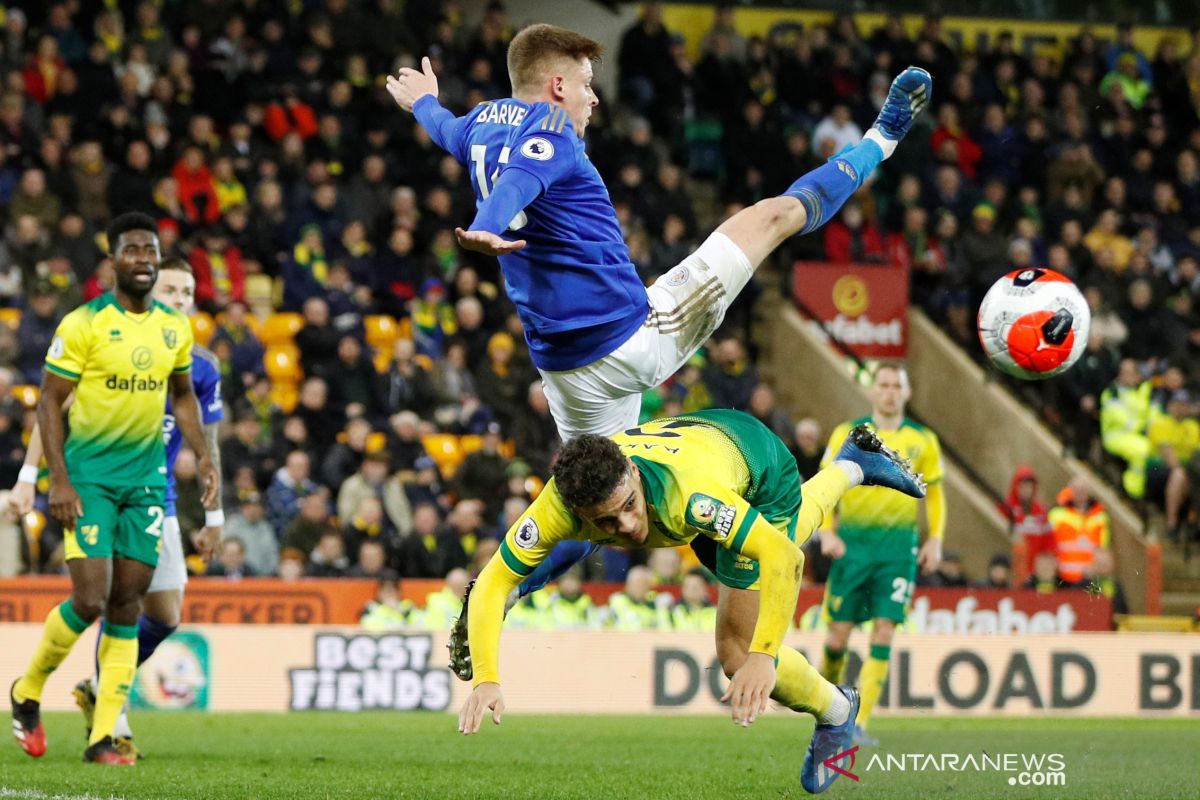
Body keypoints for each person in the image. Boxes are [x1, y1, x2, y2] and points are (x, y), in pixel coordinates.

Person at [390, 23, 931, 667]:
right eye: (587, 86)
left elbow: (449, 132)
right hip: (637, 338)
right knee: (772, 217)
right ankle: (881, 140)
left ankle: (499, 594)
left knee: (592, 499)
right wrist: (483, 226)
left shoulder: (481, 123)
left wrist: (425, 102)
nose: (594, 100)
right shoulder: (552, 133)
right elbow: (519, 187)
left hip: (565, 373)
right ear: (557, 86)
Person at [455, 409, 925, 794]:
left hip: (757, 466)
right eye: (607, 520)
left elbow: (783, 557)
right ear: (576, 511)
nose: (628, 526)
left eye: (629, 506)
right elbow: (489, 582)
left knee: (737, 652)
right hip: (700, 439)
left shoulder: (692, 499)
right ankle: (854, 463)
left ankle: (838, 711)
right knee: (586, 545)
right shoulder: (557, 505)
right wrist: (486, 679)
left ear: (633, 475)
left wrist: (765, 657)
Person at [9, 212, 218, 765]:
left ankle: (104, 736)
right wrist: (55, 478)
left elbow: (183, 398)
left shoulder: (175, 330)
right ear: (112, 262)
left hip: (146, 485)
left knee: (126, 605)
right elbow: (51, 403)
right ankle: (27, 692)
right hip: (90, 480)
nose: (143, 259)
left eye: (150, 250)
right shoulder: (84, 325)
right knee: (89, 597)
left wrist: (202, 453)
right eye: (132, 250)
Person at [817, 363, 945, 749]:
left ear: (906, 393)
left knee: (885, 630)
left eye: (896, 385)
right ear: (874, 391)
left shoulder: (923, 440)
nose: (889, 391)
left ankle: (858, 723)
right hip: (852, 548)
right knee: (838, 638)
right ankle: (825, 709)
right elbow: (826, 484)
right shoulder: (849, 433)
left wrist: (935, 538)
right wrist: (825, 532)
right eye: (883, 384)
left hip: (897, 551)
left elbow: (935, 493)